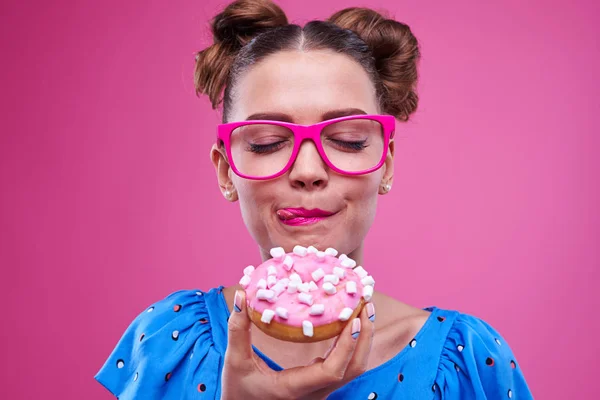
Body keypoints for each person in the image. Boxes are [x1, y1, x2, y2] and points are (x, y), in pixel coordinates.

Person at [95, 0, 533, 398]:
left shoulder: (467, 363)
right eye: (267, 143)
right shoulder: (168, 344)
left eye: (346, 139)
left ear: (388, 161)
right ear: (226, 171)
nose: (307, 171)